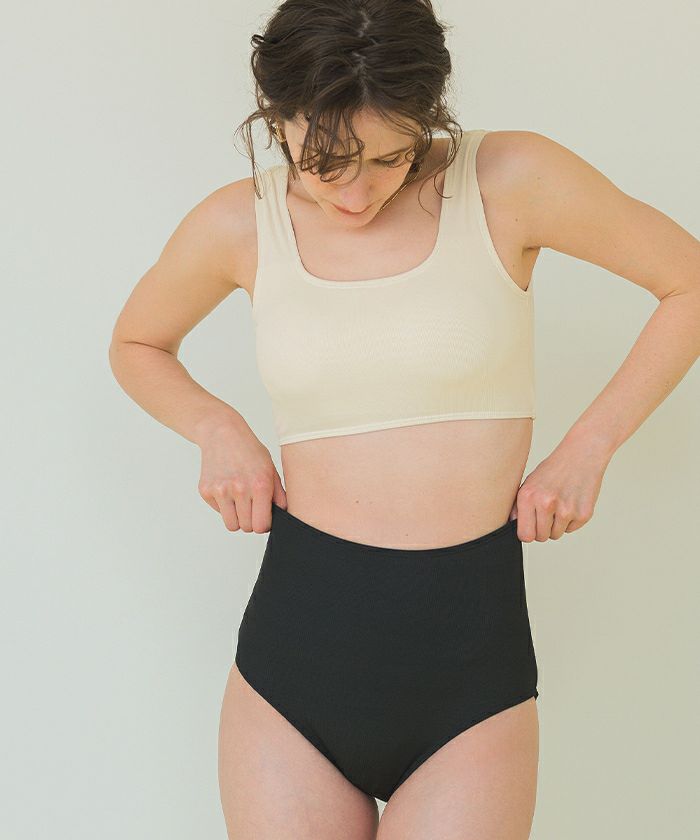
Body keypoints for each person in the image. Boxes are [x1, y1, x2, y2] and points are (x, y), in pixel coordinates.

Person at [108, 2, 700, 838]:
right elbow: (137, 343)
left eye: (391, 157)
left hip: (472, 664)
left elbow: (688, 283)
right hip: (296, 661)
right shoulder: (239, 223)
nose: (358, 194)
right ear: (277, 120)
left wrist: (587, 449)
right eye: (325, 164)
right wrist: (217, 428)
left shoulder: (509, 181)